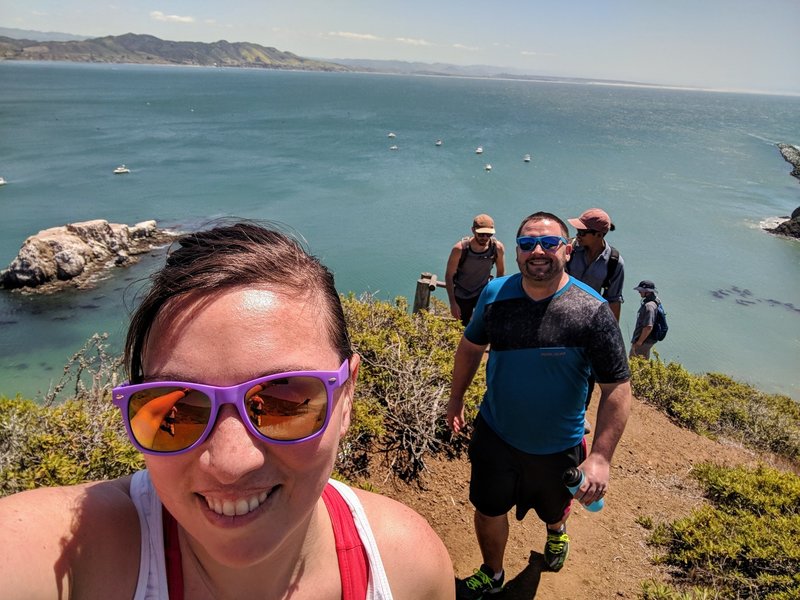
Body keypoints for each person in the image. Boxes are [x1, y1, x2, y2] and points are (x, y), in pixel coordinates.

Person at [0, 222, 454, 600]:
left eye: (286, 400)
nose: (231, 463)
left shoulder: (408, 571)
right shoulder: (82, 562)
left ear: (347, 395)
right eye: (176, 407)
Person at [447, 212, 631, 598]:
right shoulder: (495, 294)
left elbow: (616, 387)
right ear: (516, 252)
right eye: (528, 243)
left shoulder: (591, 310)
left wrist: (599, 457)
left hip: (558, 444)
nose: (538, 251)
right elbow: (471, 346)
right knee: (488, 508)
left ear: (566, 249)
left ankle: (556, 533)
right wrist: (457, 398)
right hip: (496, 433)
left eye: (549, 244)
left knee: (553, 508)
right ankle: (493, 573)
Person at [565, 208, 626, 432]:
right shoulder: (570, 250)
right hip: (564, 313)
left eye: (583, 231)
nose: (578, 234)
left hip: (591, 320)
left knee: (588, 370)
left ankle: (580, 414)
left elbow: (614, 299)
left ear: (599, 235)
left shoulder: (614, 262)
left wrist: (612, 334)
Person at [445, 214, 505, 326]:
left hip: (483, 293)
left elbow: (500, 273)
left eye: (489, 234)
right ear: (473, 230)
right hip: (462, 295)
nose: (485, 237)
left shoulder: (497, 248)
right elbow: (449, 276)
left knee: (481, 326)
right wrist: (453, 303)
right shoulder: (459, 249)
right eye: (481, 234)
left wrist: (495, 297)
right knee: (461, 327)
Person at [630, 280, 660, 359]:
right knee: (643, 363)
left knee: (633, 362)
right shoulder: (655, 301)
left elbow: (648, 327)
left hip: (643, 342)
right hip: (647, 341)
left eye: (641, 290)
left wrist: (639, 343)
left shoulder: (649, 306)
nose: (639, 292)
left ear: (647, 292)